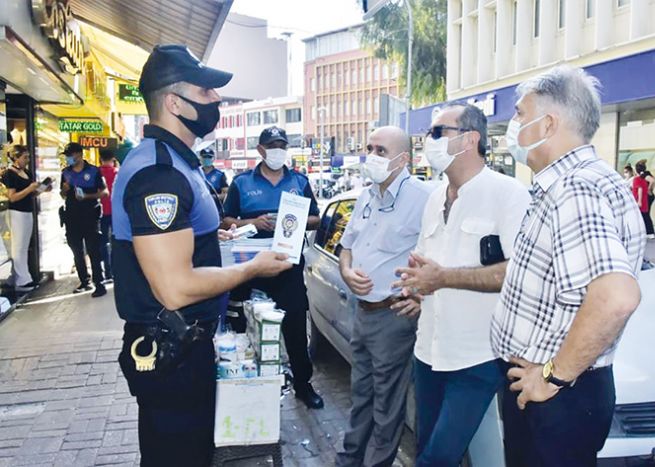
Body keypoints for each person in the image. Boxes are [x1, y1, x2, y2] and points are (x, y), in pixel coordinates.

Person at [112, 44, 291, 467]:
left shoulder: (176, 162)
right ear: (175, 102)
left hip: (185, 344)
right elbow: (175, 287)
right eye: (207, 92)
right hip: (172, 347)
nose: (216, 101)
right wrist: (251, 268)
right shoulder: (160, 173)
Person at [490, 66, 646, 467]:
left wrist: (552, 377)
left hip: (559, 397)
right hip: (558, 393)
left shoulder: (575, 187)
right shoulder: (575, 182)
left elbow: (616, 297)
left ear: (550, 123)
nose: (515, 126)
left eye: (521, 115)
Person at [391, 105, 531, 466]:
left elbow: (519, 272)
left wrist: (443, 279)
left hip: (478, 356)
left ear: (470, 139)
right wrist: (416, 290)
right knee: (428, 448)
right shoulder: (435, 197)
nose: (429, 141)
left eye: (439, 132)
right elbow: (425, 262)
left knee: (437, 458)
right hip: (429, 352)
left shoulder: (509, 194)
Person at [335, 126, 433, 467]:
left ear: (403, 159)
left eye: (381, 151)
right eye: (370, 148)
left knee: (386, 404)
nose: (372, 156)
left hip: (393, 316)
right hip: (360, 311)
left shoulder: (423, 198)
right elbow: (346, 248)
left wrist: (420, 294)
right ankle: (348, 460)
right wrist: (347, 272)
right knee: (360, 395)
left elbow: (440, 256)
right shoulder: (365, 196)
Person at [221, 125, 324, 409]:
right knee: (242, 325)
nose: (277, 151)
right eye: (272, 145)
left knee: (293, 326)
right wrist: (252, 223)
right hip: (249, 265)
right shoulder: (242, 182)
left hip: (286, 265)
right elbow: (226, 220)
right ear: (261, 150)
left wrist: (292, 220)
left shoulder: (299, 182)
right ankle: (244, 384)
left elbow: (315, 219)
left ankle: (303, 385)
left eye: (282, 145)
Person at [60, 142, 108, 298]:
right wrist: (64, 190)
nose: (68, 158)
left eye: (70, 155)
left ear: (79, 154)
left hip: (90, 215)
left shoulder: (94, 171)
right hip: (72, 216)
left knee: (93, 249)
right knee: (76, 250)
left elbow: (104, 192)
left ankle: (99, 283)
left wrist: (88, 196)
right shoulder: (65, 173)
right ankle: (84, 281)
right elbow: (62, 195)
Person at [1, 145, 51, 292]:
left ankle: (16, 276)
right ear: (16, 158)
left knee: (23, 245)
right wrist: (29, 189)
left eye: (28, 157)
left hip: (28, 211)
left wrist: (41, 189)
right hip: (16, 212)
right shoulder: (10, 174)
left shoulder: (26, 172)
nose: (27, 160)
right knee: (18, 246)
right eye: (24, 157)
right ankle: (23, 279)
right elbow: (13, 197)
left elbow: (31, 194)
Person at [99, 149, 118, 282]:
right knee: (116, 242)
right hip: (116, 213)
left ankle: (107, 272)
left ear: (100, 158)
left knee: (103, 242)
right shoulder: (117, 172)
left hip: (100, 212)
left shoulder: (96, 172)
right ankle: (116, 269)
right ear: (113, 159)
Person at [632, 161, 655, 239]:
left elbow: (640, 189)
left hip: (643, 199)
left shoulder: (640, 177)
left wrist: (649, 190)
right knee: (645, 215)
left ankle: (648, 232)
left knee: (644, 215)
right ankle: (648, 232)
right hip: (645, 198)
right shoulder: (644, 176)